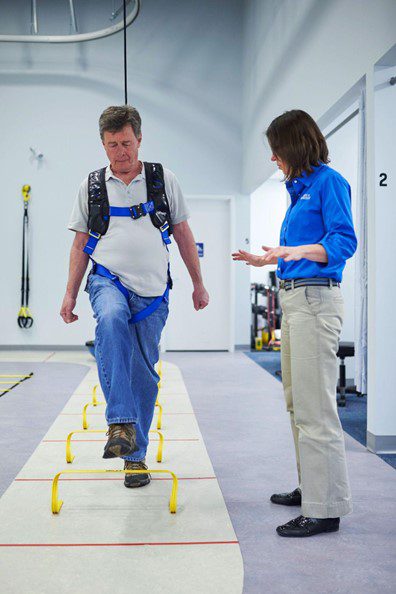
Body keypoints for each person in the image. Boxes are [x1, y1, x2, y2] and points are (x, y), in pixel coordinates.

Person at [61, 105, 209, 488]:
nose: (120, 152)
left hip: (154, 293)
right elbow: (80, 244)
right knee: (109, 319)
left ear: (139, 140)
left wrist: (198, 282)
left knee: (144, 375)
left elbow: (182, 233)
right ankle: (120, 423)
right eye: (112, 145)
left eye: (126, 143)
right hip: (107, 279)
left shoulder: (162, 180)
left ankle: (135, 457)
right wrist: (70, 294)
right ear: (103, 144)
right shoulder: (91, 186)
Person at [233, 109, 357, 537]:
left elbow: (343, 242)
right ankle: (312, 488)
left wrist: (295, 250)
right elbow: (299, 251)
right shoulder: (297, 189)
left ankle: (326, 508)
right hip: (294, 299)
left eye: (276, 149)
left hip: (316, 300)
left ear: (296, 145)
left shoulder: (329, 182)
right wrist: (271, 257)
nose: (273, 158)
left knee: (315, 408)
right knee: (295, 403)